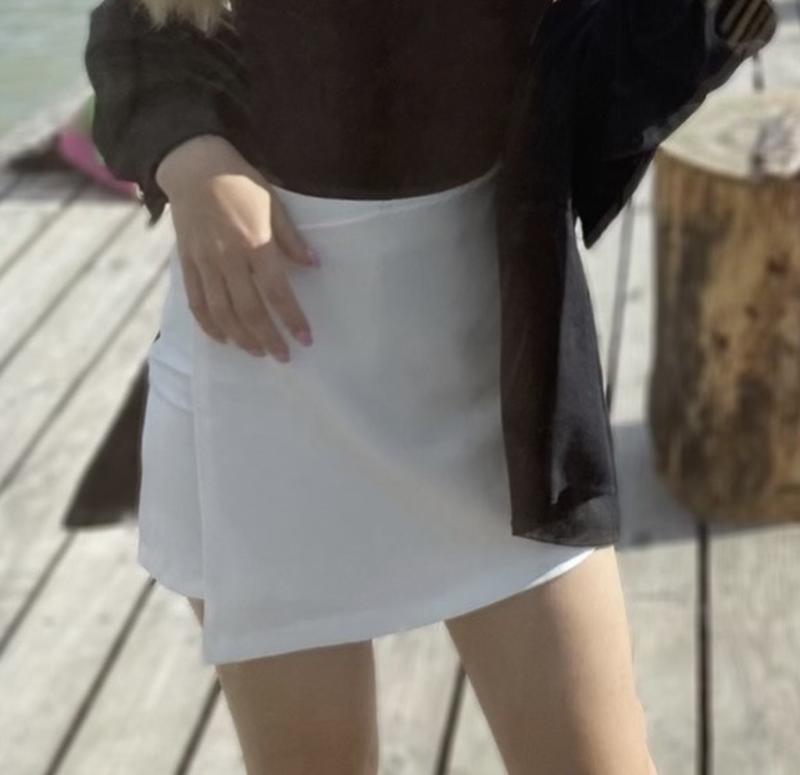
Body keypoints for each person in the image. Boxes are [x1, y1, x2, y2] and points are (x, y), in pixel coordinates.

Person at [83, 0, 773, 772]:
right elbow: (137, 27)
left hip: (499, 379)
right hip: (263, 371)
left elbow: (598, 88)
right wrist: (191, 159)